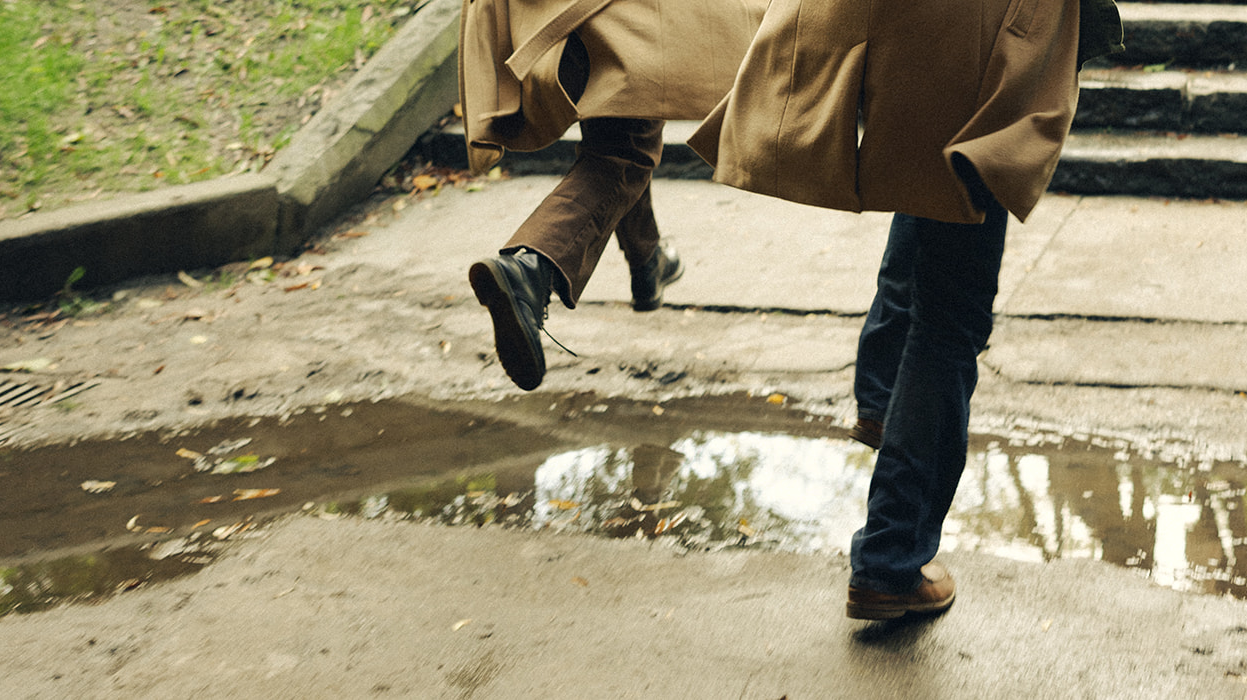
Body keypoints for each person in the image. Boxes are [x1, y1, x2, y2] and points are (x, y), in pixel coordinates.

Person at [690, 0, 1123, 619]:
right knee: (952, 313)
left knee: (932, 183)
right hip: (977, 34)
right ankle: (890, 562)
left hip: (896, 20)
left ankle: (882, 398)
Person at [457, 0, 765, 389]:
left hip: (548, 21)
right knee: (623, 154)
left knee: (621, 139)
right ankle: (529, 270)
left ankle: (648, 260)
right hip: (608, 21)